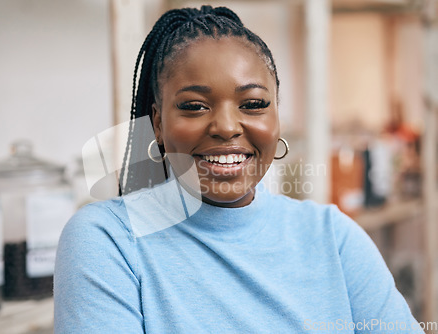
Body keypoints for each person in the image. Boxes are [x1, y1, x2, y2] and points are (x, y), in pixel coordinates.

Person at [54, 6, 423, 333]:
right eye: (195, 106)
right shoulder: (109, 240)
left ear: (277, 117)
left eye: (253, 103)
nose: (227, 127)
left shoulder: (335, 238)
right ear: (158, 125)